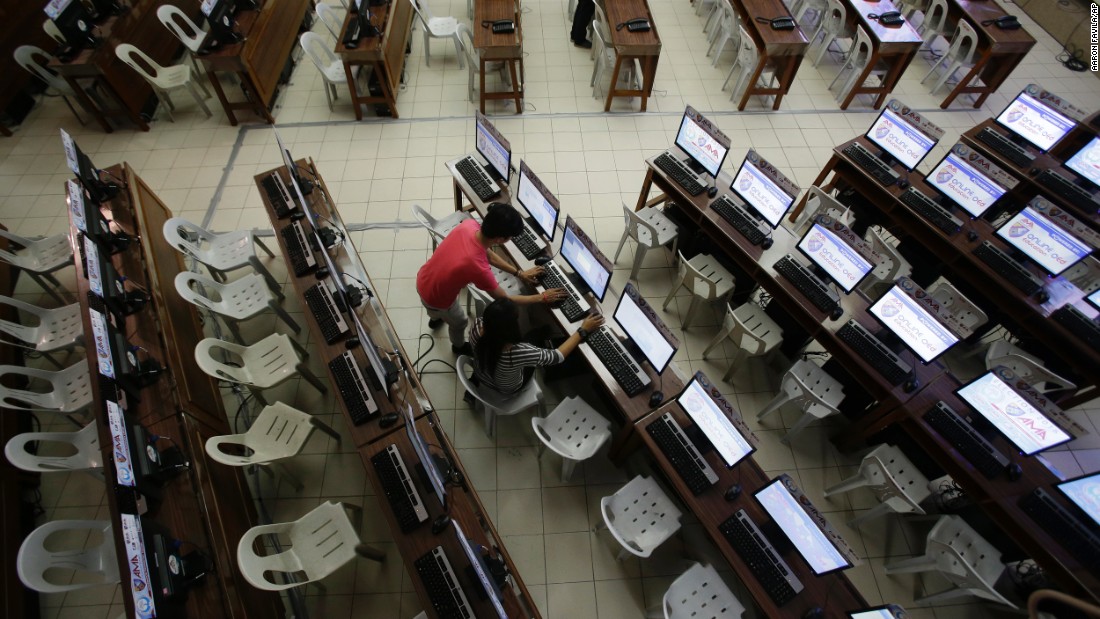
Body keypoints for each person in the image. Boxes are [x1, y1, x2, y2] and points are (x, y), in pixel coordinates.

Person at [416, 203, 567, 355]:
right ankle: (458, 346)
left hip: (424, 277)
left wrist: (519, 273)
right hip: (438, 299)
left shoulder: (469, 226)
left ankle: (435, 317)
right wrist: (542, 297)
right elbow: (506, 300)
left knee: (433, 308)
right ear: (501, 239)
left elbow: (487, 253)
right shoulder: (477, 267)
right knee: (460, 322)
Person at [469, 298, 605, 395]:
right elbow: (557, 356)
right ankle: (543, 332)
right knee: (535, 339)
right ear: (511, 328)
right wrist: (583, 330)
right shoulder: (517, 352)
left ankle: (542, 332)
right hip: (508, 388)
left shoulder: (477, 325)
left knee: (534, 336)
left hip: (483, 374)